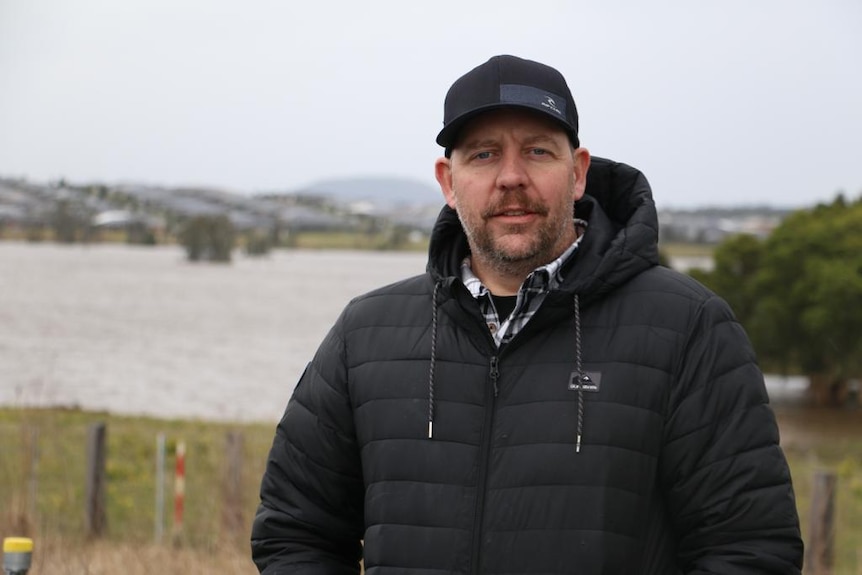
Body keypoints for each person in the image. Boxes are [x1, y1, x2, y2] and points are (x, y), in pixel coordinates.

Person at [251, 55, 803, 574]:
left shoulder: (689, 329)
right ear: (448, 181)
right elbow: (295, 530)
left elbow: (750, 548)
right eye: (484, 154)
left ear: (579, 172)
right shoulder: (366, 334)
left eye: (538, 151)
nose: (511, 176)